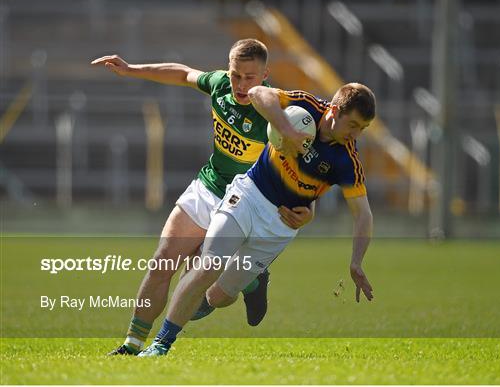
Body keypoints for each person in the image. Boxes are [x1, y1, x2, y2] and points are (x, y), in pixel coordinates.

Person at [91, 39, 314, 356]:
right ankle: (132, 345)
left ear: (266, 74)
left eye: (249, 77)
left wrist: (309, 210)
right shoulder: (220, 85)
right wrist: (131, 70)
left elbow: (303, 166)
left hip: (246, 202)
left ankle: (252, 281)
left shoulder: (277, 114)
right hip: (209, 188)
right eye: (236, 74)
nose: (240, 84)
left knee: (212, 297)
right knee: (161, 262)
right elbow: (182, 74)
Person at [137, 82, 376, 357]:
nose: (356, 134)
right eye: (354, 125)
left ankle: (254, 281)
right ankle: (160, 345)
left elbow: (363, 214)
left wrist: (356, 261)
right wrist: (287, 131)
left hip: (279, 225)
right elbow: (257, 94)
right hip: (248, 195)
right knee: (210, 264)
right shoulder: (305, 105)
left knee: (217, 297)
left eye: (363, 129)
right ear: (334, 110)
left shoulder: (348, 159)